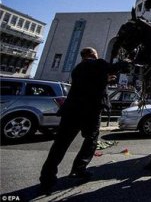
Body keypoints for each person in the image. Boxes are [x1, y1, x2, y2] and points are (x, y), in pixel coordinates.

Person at [39, 47, 127, 194]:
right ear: (92, 54)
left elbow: (90, 83)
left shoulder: (78, 69)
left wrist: (104, 79)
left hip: (71, 110)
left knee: (60, 144)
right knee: (91, 139)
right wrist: (127, 61)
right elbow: (114, 68)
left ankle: (47, 178)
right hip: (91, 111)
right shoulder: (98, 63)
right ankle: (79, 168)